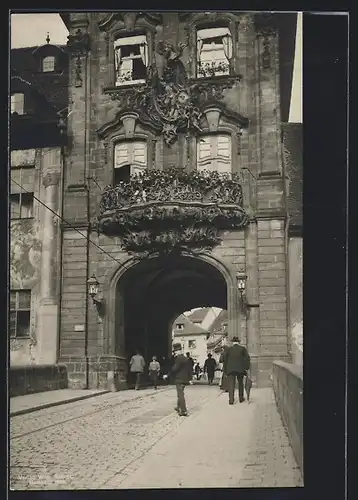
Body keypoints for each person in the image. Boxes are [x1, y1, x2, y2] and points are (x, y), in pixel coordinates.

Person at [164, 343, 191, 416]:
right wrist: (190, 378)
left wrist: (167, 375)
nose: (174, 353)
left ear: (178, 351)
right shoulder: (185, 358)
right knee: (180, 393)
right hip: (185, 379)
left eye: (175, 351)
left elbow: (174, 369)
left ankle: (183, 410)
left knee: (180, 394)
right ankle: (178, 407)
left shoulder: (178, 358)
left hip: (179, 379)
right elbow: (189, 369)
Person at [223, 337, 250, 405]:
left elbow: (225, 360)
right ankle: (241, 398)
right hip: (240, 369)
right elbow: (247, 358)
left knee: (231, 384)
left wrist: (225, 370)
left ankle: (231, 400)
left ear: (233, 342)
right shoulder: (242, 349)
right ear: (238, 342)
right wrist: (246, 367)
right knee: (240, 383)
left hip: (230, 369)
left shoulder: (228, 349)